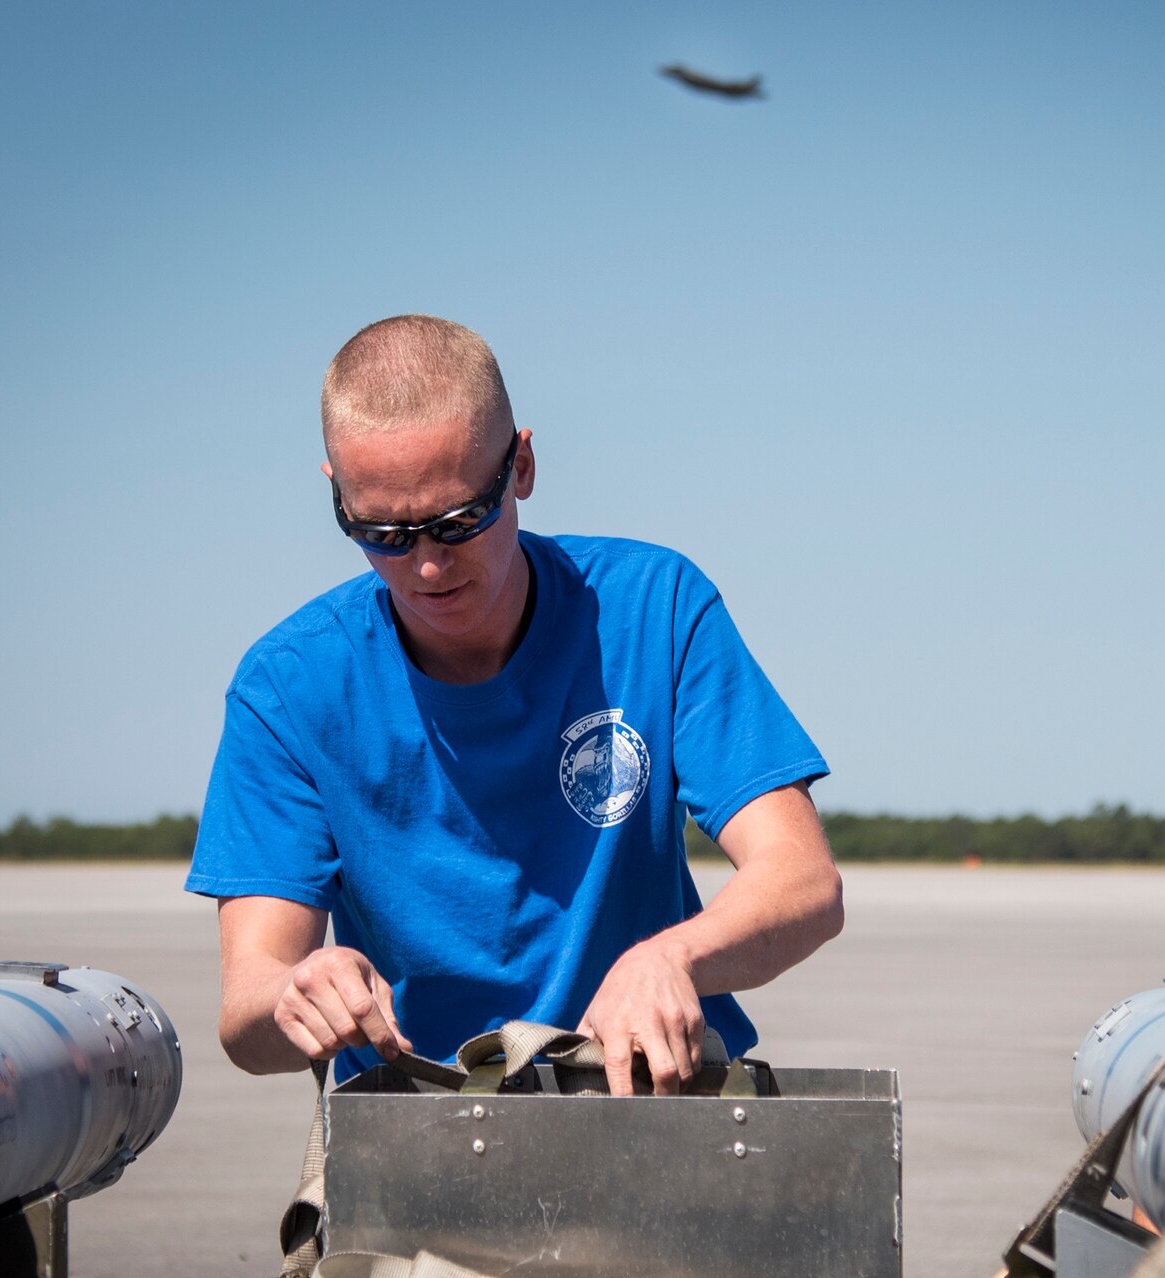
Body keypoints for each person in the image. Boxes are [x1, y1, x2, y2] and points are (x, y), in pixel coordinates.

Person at [187, 315, 843, 1096]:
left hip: (648, 1097)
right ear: (336, 490)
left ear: (522, 465)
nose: (427, 566)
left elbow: (803, 880)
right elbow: (247, 1010)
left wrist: (670, 958)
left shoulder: (654, 609)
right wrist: (295, 994)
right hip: (420, 1119)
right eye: (383, 533)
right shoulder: (290, 687)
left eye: (459, 522)